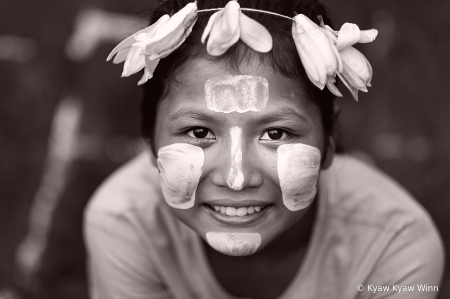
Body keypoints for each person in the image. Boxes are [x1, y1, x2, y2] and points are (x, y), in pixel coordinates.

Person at [83, 0, 445, 298]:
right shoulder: (123, 223)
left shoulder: (396, 246)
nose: (236, 178)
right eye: (198, 131)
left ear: (329, 139)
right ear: (150, 141)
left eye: (275, 134)